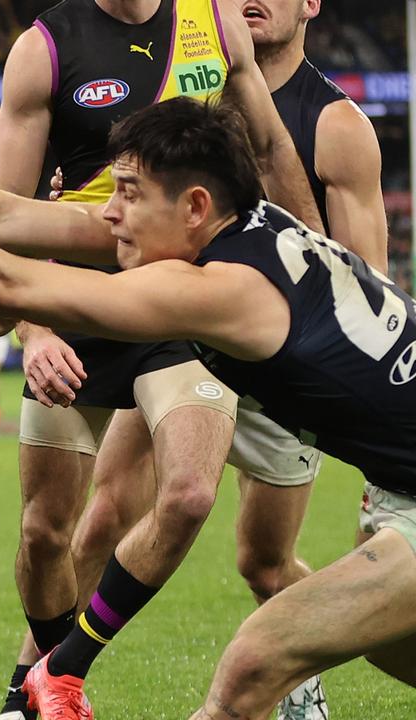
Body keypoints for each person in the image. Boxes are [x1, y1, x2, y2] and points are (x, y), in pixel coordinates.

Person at [0, 93, 416, 720]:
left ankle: (56, 674)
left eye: (127, 193)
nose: (108, 211)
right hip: (396, 488)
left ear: (192, 205)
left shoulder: (222, 288)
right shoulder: (237, 228)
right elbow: (3, 216)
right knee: (391, 650)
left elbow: (6, 278)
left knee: (255, 660)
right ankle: (58, 671)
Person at [58, 1, 388, 716]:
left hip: (285, 370)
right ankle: (41, 684)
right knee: (107, 512)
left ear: (312, 5)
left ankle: (301, 678)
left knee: (263, 564)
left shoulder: (335, 126)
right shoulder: (190, 96)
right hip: (190, 348)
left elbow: (366, 278)